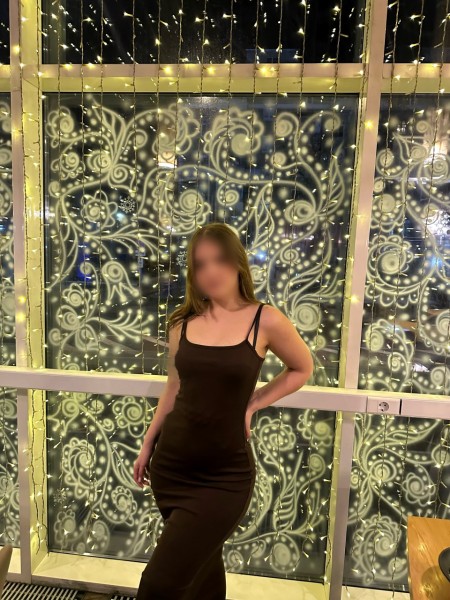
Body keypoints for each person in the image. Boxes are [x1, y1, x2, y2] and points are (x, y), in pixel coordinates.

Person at [133, 222, 314, 599]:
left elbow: (302, 368)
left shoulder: (265, 319)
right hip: (171, 468)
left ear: (237, 262)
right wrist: (148, 444)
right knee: (203, 573)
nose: (210, 271)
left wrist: (254, 402)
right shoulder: (182, 323)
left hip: (223, 477)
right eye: (200, 264)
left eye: (219, 260)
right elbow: (173, 389)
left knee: (158, 586)